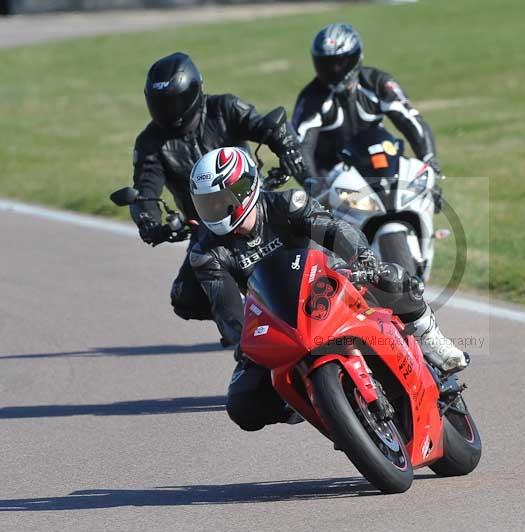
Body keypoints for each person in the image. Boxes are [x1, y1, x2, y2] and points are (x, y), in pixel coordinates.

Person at [188, 147, 468, 431]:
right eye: (207, 204)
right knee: (242, 404)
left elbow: (333, 228)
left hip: (330, 284)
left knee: (392, 277)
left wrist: (362, 258)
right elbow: (226, 309)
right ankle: (319, 405)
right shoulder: (206, 253)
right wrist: (244, 344)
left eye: (220, 201)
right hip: (282, 319)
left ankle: (432, 341)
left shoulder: (288, 204)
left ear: (245, 190)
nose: (214, 210)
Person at [129, 52, 306, 329]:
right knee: (185, 298)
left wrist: (286, 148)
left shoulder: (225, 108)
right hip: (206, 225)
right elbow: (145, 188)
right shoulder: (151, 142)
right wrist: (148, 220)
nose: (168, 110)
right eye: (160, 104)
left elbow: (264, 127)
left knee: (310, 236)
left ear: (193, 93)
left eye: (173, 102)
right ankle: (246, 326)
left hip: (254, 209)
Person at [292, 23, 442, 194]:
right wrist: (312, 183)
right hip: (334, 178)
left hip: (379, 164)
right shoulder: (311, 98)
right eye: (326, 64)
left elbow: (412, 121)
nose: (333, 70)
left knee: (421, 197)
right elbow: (301, 146)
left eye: (340, 63)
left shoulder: (378, 83)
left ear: (355, 58)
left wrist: (428, 159)